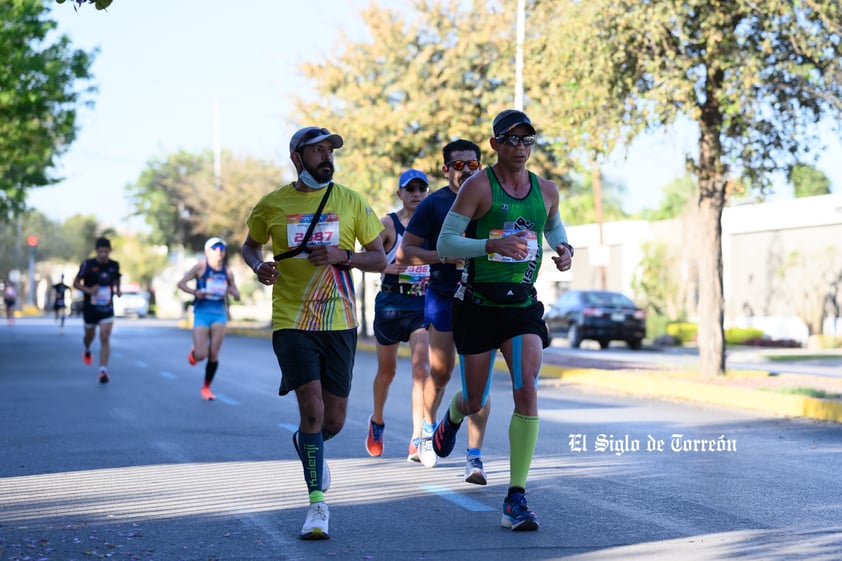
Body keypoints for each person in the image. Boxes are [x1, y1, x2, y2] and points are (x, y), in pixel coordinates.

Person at [241, 126, 386, 541]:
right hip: (292, 320)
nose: (326, 156)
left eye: (329, 150)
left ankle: (309, 444)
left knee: (334, 421)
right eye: (317, 150)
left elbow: (379, 257)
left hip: (340, 320)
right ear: (296, 158)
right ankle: (317, 504)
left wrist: (346, 256)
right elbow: (250, 246)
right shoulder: (271, 205)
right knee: (312, 411)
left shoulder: (352, 200)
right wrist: (258, 266)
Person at [433, 109, 573, 531]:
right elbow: (445, 243)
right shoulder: (478, 187)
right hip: (476, 305)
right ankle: (454, 417)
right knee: (474, 400)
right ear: (494, 145)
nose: (520, 147)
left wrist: (564, 249)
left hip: (521, 308)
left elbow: (555, 228)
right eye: (510, 140)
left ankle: (516, 497)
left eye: (526, 140)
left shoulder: (546, 190)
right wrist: (492, 246)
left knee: (526, 388)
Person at [397, 139, 491, 484]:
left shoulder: (490, 198)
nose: (466, 171)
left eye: (473, 165)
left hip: (484, 298)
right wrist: (445, 257)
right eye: (458, 165)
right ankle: (425, 431)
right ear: (446, 168)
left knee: (478, 382)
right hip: (443, 295)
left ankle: (475, 458)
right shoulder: (434, 204)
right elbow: (406, 253)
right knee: (440, 373)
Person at [366, 169, 431, 461]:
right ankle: (377, 421)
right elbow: (367, 254)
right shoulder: (387, 224)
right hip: (391, 305)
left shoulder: (434, 224)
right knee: (387, 372)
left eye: (422, 189)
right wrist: (384, 267)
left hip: (421, 305)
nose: (417, 194)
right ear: (400, 194)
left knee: (421, 370)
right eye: (411, 189)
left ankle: (417, 437)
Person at [177, 237, 241, 401]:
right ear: (207, 251)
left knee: (214, 353)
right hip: (202, 313)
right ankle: (194, 353)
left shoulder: (227, 271)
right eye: (215, 248)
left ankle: (206, 387)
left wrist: (235, 293)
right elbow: (181, 283)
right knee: (201, 355)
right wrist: (195, 292)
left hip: (219, 313)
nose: (219, 251)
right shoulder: (201, 266)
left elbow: (234, 289)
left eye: (222, 248)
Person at [73, 237, 122, 384]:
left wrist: (117, 289)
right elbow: (75, 283)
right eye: (100, 252)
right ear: (96, 251)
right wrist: (89, 290)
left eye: (106, 252)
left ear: (110, 251)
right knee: (90, 336)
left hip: (107, 307)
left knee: (105, 336)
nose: (103, 255)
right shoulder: (87, 264)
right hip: (90, 308)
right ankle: (87, 348)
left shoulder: (114, 265)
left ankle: (103, 370)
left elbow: (116, 279)